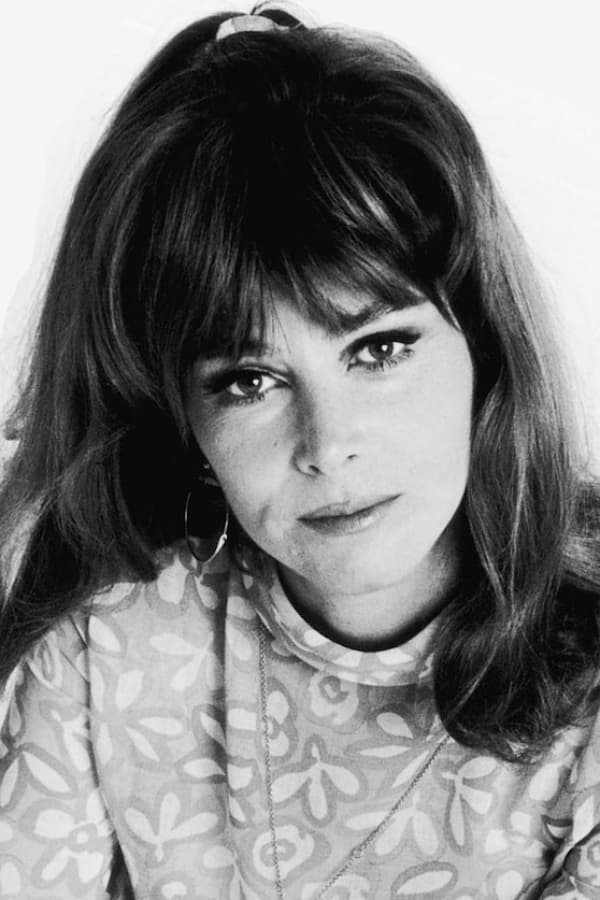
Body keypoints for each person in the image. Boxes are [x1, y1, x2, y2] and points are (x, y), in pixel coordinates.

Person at [1, 2, 600, 897]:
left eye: (379, 349)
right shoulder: (109, 636)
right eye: (249, 380)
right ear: (184, 418)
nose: (329, 444)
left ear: (484, 345)